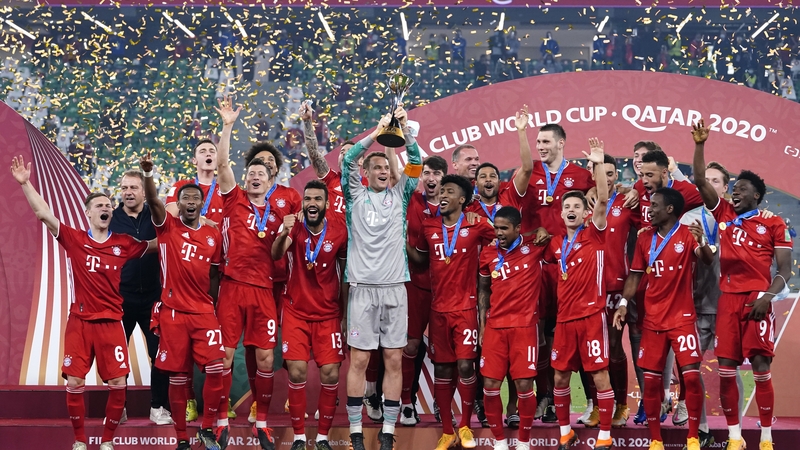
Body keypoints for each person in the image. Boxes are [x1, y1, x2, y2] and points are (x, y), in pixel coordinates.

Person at [11, 155, 152, 450]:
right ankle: (79, 441)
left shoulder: (123, 243)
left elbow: (158, 242)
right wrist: (25, 184)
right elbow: (43, 215)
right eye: (99, 205)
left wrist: (188, 226)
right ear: (87, 212)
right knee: (75, 383)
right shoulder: (75, 239)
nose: (105, 208)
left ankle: (107, 441)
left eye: (108, 205)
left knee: (118, 385)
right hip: (79, 323)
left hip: (112, 324)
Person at [691, 119, 792, 450]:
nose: (735, 191)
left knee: (761, 367)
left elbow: (785, 270)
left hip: (757, 299)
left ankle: (765, 437)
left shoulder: (774, 223)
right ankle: (735, 437)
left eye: (742, 188)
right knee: (726, 368)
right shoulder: (722, 216)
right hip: (727, 301)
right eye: (733, 187)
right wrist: (700, 145)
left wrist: (768, 296)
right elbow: (700, 182)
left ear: (757, 195)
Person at [342, 105, 421, 450]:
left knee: (393, 359)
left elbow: (415, 165)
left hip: (394, 291)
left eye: (387, 166)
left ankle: (389, 430)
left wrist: (406, 132)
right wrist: (376, 134)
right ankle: (356, 430)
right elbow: (346, 162)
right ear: (366, 172)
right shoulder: (355, 195)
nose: (384, 170)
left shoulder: (400, 197)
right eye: (376, 166)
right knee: (359, 360)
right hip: (361, 291)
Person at [614, 187, 714, 450]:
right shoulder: (645, 238)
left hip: (682, 319)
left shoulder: (687, 234)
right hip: (653, 322)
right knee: (651, 382)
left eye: (655, 205)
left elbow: (706, 260)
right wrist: (624, 303)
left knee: (691, 378)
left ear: (670, 209)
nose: (649, 209)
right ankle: (655, 440)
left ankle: (693, 437)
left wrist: (703, 242)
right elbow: (635, 275)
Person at [141, 153, 225, 450]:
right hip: (173, 313)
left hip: (203, 312)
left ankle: (207, 428)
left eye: (195, 198)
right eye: (185, 198)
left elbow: (214, 276)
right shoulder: (167, 227)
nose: (190, 202)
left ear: (201, 204)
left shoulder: (213, 235)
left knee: (217, 368)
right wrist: (148, 175)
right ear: (178, 204)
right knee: (178, 375)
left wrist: (212, 305)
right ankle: (181, 438)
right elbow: (152, 202)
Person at [406, 175, 496, 450]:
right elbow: (421, 258)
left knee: (466, 365)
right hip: (438, 310)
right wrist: (399, 241)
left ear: (462, 199)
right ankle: (447, 431)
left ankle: (465, 425)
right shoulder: (429, 225)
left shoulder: (476, 224)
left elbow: (505, 237)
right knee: (443, 369)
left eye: (450, 191)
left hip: (466, 309)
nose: (443, 194)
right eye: (441, 190)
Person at [214, 97, 282, 450]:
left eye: (262, 173)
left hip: (263, 291)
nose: (255, 176)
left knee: (266, 357)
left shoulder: (276, 214)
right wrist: (227, 126)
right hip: (232, 287)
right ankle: (222, 421)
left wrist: (285, 233)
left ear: (272, 181)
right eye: (251, 172)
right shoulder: (234, 199)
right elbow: (222, 162)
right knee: (225, 354)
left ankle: (262, 421)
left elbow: (279, 254)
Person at [522, 123, 594, 423]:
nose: (541, 146)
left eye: (546, 141)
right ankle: (545, 398)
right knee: (540, 337)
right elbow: (518, 213)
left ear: (561, 143)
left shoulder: (580, 176)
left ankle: (592, 401)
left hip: (570, 268)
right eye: (537, 141)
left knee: (573, 337)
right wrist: (531, 230)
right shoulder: (530, 173)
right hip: (537, 267)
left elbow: (597, 206)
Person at [545, 138, 613, 450]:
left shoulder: (595, 233)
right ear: (560, 214)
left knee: (599, 377)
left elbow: (601, 199)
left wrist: (598, 164)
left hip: (592, 317)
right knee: (559, 379)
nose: (571, 210)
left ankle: (605, 436)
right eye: (566, 207)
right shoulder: (556, 244)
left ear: (585, 213)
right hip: (564, 321)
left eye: (577, 207)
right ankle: (564, 432)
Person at [272, 180, 348, 450]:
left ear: (326, 204)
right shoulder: (294, 228)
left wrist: (345, 316)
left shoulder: (339, 230)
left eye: (317, 199)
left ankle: (324, 438)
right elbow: (276, 253)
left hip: (328, 313)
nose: (312, 203)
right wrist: (284, 232)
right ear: (302, 203)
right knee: (297, 371)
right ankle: (300, 437)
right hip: (295, 311)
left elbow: (345, 276)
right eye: (308, 199)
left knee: (330, 373)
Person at [478, 206, 549, 450]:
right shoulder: (487, 254)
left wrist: (539, 230)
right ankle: (499, 442)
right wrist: (482, 326)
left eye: (504, 228)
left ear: (518, 229)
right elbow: (483, 291)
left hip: (524, 328)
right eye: (496, 228)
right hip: (495, 328)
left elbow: (552, 234)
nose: (498, 233)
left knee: (524, 386)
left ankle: (523, 442)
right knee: (490, 386)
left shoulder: (535, 247)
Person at [581, 155, 640, 428]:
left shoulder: (628, 202)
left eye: (612, 172)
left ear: (617, 176)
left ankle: (622, 404)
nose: (607, 177)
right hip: (586, 287)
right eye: (601, 173)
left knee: (614, 348)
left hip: (616, 284)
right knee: (590, 349)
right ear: (592, 176)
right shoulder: (581, 203)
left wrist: (635, 192)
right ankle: (595, 405)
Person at [110, 169, 171, 426]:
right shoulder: (111, 217)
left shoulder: (156, 216)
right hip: (121, 296)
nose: (128, 192)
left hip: (154, 298)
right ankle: (117, 408)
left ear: (144, 193)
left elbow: (171, 234)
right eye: (124, 188)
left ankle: (158, 407)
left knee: (159, 354)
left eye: (133, 188)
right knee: (116, 355)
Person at [401, 155, 448, 426]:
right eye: (427, 173)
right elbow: (398, 175)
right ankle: (407, 402)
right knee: (411, 345)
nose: (431, 179)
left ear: (444, 177)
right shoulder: (411, 201)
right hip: (415, 284)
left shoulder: (454, 204)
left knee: (444, 352)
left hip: (447, 288)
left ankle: (442, 406)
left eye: (437, 174)